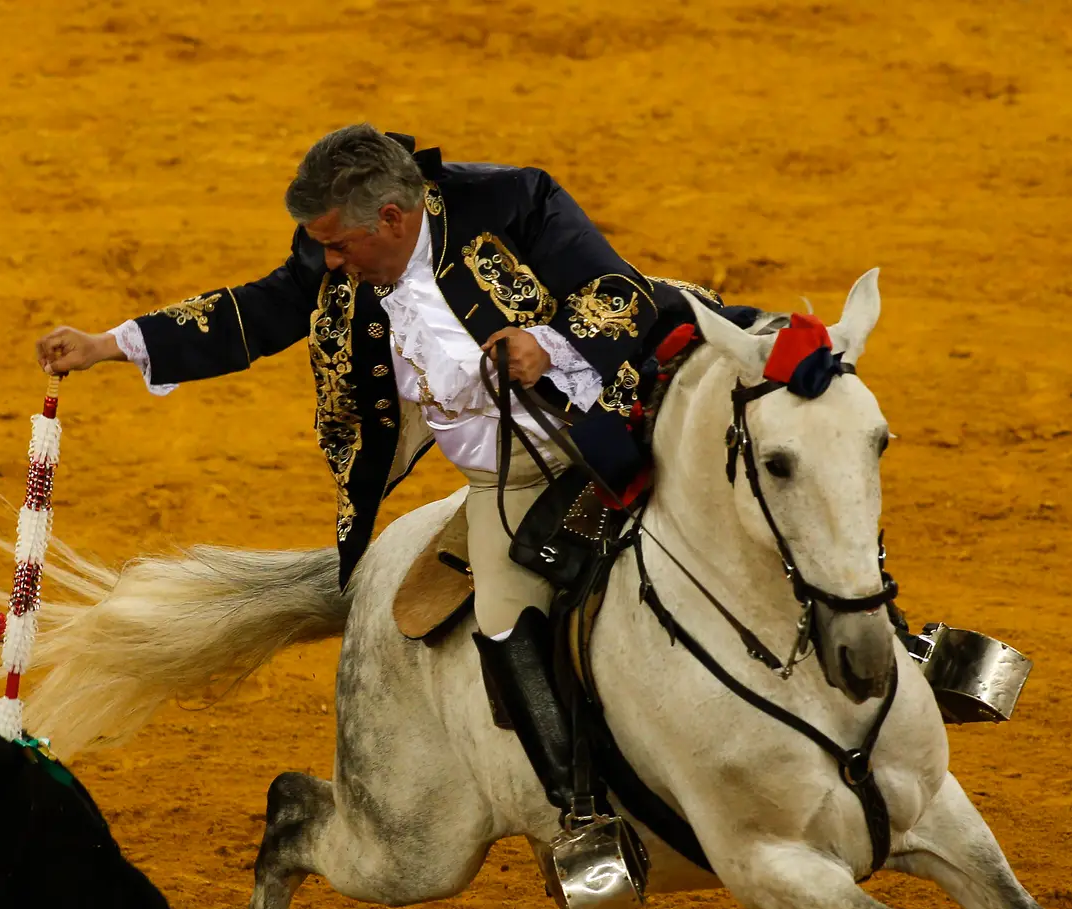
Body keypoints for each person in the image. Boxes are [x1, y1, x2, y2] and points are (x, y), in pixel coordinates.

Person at [36, 123, 727, 858]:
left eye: (339, 246)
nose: (327, 262)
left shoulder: (512, 200)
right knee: (502, 620)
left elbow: (613, 289)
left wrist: (545, 345)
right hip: (507, 479)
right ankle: (585, 820)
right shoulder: (338, 259)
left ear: (392, 219)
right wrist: (110, 344)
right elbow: (253, 313)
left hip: (617, 425)